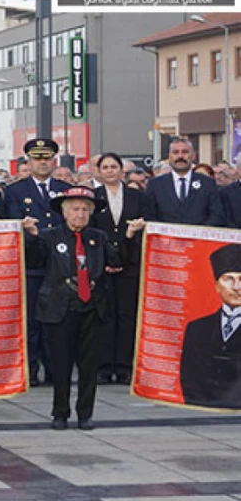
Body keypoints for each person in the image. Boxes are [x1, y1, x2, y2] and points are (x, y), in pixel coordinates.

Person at [23, 186, 132, 430]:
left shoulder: (98, 237)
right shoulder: (49, 236)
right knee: (61, 365)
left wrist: (129, 236)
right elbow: (35, 259)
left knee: (88, 366)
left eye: (85, 210)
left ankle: (85, 413)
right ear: (64, 212)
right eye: (74, 209)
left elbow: (117, 260)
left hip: (92, 307)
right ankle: (60, 413)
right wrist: (31, 235)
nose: (80, 214)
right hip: (60, 307)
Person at [5, 138, 71, 387]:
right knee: (31, 321)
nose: (42, 162)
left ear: (54, 160)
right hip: (31, 262)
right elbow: (14, 225)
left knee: (56, 321)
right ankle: (30, 369)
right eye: (37, 158)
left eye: (47, 158)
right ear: (29, 161)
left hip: (58, 263)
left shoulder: (64, 188)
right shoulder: (15, 191)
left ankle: (55, 369)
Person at [92, 153, 143, 385]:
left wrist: (124, 259)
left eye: (114, 167)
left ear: (122, 171)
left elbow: (144, 229)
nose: (110, 171)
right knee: (104, 315)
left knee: (126, 315)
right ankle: (103, 365)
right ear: (99, 172)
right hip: (102, 267)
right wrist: (106, 261)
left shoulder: (136, 197)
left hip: (130, 265)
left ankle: (123, 366)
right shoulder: (93, 198)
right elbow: (91, 233)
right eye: (106, 167)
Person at [179, 243, 241, 409]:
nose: (236, 288)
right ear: (217, 286)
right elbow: (188, 376)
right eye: (229, 279)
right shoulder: (196, 328)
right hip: (203, 406)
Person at [143, 138, 225, 226]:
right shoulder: (155, 184)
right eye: (175, 152)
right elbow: (149, 216)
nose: (180, 156)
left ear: (193, 156)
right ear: (169, 156)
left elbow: (216, 215)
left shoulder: (207, 183)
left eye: (185, 152)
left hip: (198, 237)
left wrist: (196, 234)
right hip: (166, 238)